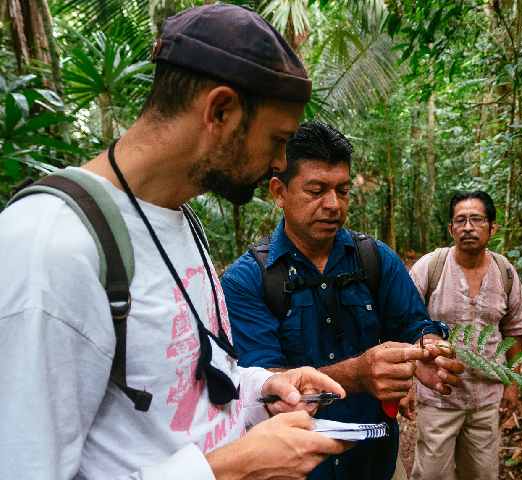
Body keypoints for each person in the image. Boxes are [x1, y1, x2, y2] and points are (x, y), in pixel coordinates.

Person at [0, 5, 352, 479]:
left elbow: (177, 391)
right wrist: (230, 470)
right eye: (277, 140)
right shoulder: (48, 248)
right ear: (220, 110)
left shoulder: (176, 217)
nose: (279, 162)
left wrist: (260, 388)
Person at [221, 121, 465, 480]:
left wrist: (428, 349)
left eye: (343, 190)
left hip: (376, 463)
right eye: (316, 190)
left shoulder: (375, 259)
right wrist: (356, 376)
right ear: (279, 192)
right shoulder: (247, 280)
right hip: (295, 469)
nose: (333, 204)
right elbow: (263, 389)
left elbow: (416, 324)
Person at [408, 191, 522, 480]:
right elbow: (404, 325)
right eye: (460, 220)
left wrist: (513, 385)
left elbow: (515, 333)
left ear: (492, 227)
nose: (468, 227)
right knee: (431, 474)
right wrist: (405, 382)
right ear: (451, 229)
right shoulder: (431, 267)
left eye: (476, 219)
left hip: (486, 400)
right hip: (439, 397)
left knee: (481, 473)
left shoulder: (505, 272)